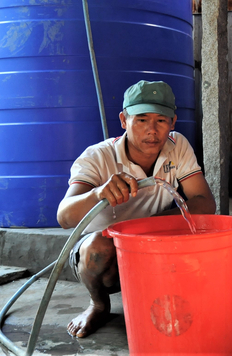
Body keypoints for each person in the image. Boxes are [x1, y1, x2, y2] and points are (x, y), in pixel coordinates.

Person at [57, 80, 216, 338]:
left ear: (173, 122)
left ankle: (163, 299)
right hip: (107, 255)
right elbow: (64, 217)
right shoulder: (97, 157)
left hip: (154, 243)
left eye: (161, 120)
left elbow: (204, 202)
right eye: (141, 120)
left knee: (203, 240)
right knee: (98, 248)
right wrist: (98, 193)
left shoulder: (178, 147)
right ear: (123, 120)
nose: (151, 130)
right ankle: (98, 305)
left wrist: (147, 228)